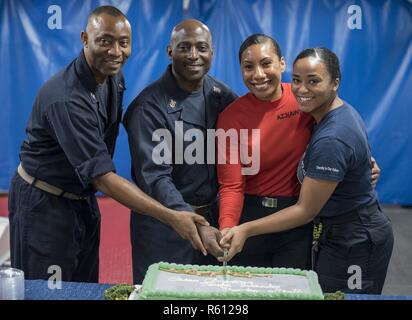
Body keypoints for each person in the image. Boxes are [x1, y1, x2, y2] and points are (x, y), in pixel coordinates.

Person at [8, 6, 209, 283]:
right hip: (45, 204)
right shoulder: (67, 99)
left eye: (123, 43)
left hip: (83, 199)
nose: (115, 51)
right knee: (49, 289)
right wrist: (171, 216)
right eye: (105, 40)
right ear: (84, 38)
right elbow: (103, 178)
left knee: (84, 285)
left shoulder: (114, 76)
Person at [220, 47, 393, 294]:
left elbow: (304, 210)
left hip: (353, 238)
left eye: (313, 81)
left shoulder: (331, 137)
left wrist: (246, 229)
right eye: (298, 80)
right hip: (334, 233)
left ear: (335, 83)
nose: (301, 90)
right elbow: (231, 184)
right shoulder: (323, 114)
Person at [123, 19, 238, 284]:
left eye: (201, 47)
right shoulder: (148, 107)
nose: (194, 55)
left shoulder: (222, 96)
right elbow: (155, 178)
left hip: (214, 225)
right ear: (170, 51)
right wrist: (198, 225)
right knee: (165, 294)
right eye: (184, 47)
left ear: (212, 51)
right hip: (165, 226)